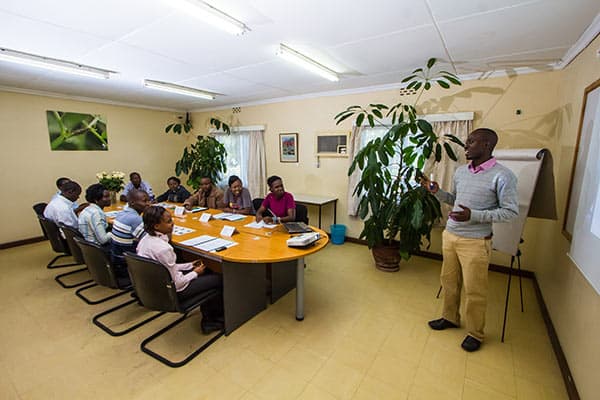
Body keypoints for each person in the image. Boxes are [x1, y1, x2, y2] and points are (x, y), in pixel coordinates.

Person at [424, 128, 518, 352]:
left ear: (487, 145)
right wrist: (437, 192)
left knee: (475, 290)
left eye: (471, 142)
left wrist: (473, 215)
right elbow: (455, 200)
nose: (466, 145)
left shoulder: (503, 176)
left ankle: (475, 333)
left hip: (476, 242)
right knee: (449, 282)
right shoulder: (461, 172)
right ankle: (450, 318)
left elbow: (510, 212)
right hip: (451, 235)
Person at [137, 206, 224, 334]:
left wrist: (189, 266)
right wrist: (195, 273)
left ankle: (210, 315)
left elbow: (163, 268)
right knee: (218, 278)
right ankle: (212, 321)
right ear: (156, 226)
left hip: (153, 288)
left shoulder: (144, 240)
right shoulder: (163, 249)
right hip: (173, 292)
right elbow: (178, 284)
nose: (173, 223)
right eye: (168, 222)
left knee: (206, 271)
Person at [111, 189, 151, 274]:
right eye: (144, 201)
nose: (148, 204)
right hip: (126, 263)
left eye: (149, 200)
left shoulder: (122, 213)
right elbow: (150, 241)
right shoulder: (135, 219)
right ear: (132, 202)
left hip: (116, 257)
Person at [78, 183, 112, 249]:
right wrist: (115, 232)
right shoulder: (96, 213)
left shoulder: (87, 209)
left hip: (88, 247)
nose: (109, 199)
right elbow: (103, 240)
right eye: (106, 197)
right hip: (98, 249)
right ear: (96, 200)